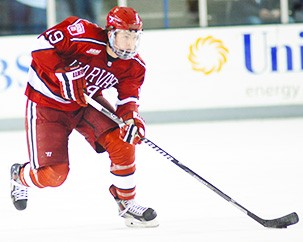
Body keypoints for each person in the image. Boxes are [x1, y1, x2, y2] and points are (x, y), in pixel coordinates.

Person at [10, 6, 159, 228]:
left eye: (134, 37)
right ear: (110, 32)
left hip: (86, 104)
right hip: (47, 105)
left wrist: (132, 120)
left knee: (123, 139)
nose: (129, 44)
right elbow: (41, 46)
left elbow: (127, 101)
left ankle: (127, 203)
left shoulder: (134, 66)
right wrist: (62, 70)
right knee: (54, 175)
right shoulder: (81, 33)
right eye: (124, 36)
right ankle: (20, 176)